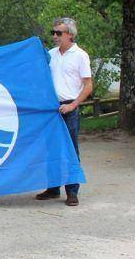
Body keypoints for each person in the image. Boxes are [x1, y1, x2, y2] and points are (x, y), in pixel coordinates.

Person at [35, 17, 92, 206]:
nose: (54, 36)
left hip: (69, 107)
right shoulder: (51, 55)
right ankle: (53, 188)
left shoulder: (80, 56)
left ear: (70, 34)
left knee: (69, 149)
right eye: (53, 33)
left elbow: (88, 86)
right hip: (51, 108)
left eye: (58, 33)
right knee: (51, 148)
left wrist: (73, 105)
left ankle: (72, 191)